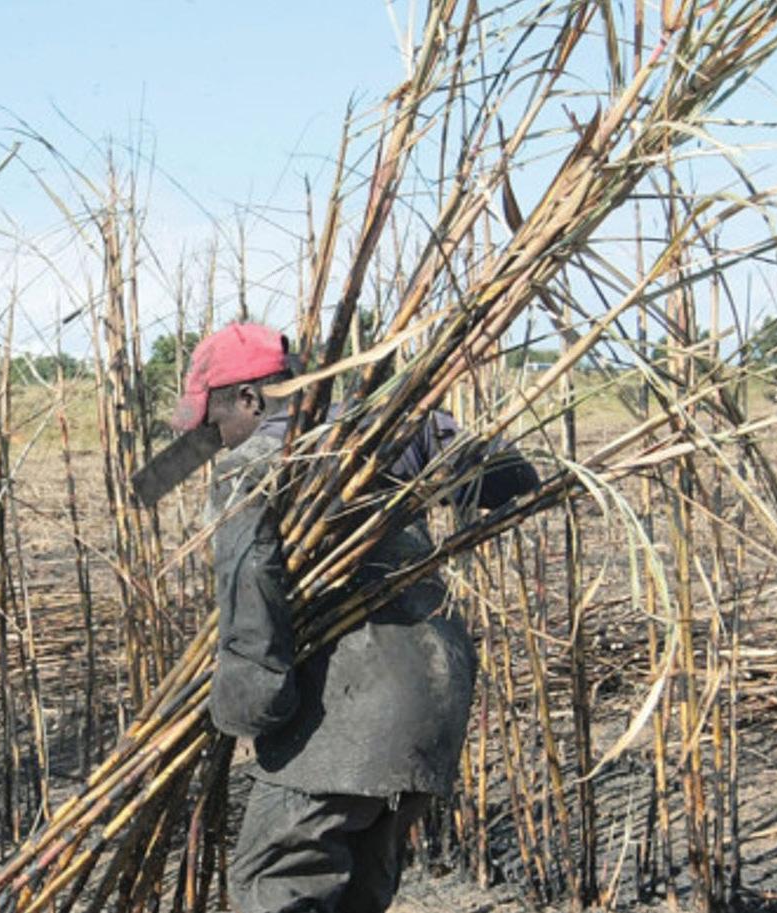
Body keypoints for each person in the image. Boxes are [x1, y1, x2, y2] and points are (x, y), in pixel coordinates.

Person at [168, 322, 539, 913]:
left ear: (250, 399)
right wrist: (416, 433)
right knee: (359, 893)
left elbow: (250, 599)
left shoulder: (252, 466)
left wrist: (248, 709)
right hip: (434, 698)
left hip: (349, 714)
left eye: (214, 424)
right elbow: (515, 477)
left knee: (277, 881)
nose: (213, 441)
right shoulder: (378, 432)